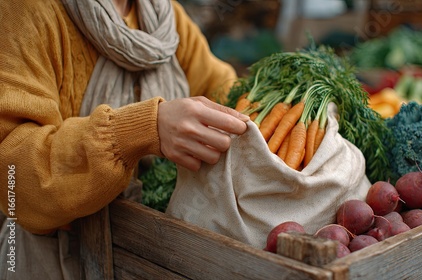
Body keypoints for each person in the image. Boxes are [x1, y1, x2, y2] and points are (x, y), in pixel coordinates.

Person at [0, 0, 249, 278]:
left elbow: (223, 88)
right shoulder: (27, 10)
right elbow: (12, 173)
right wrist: (141, 129)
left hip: (148, 252)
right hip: (57, 259)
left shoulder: (163, 15)